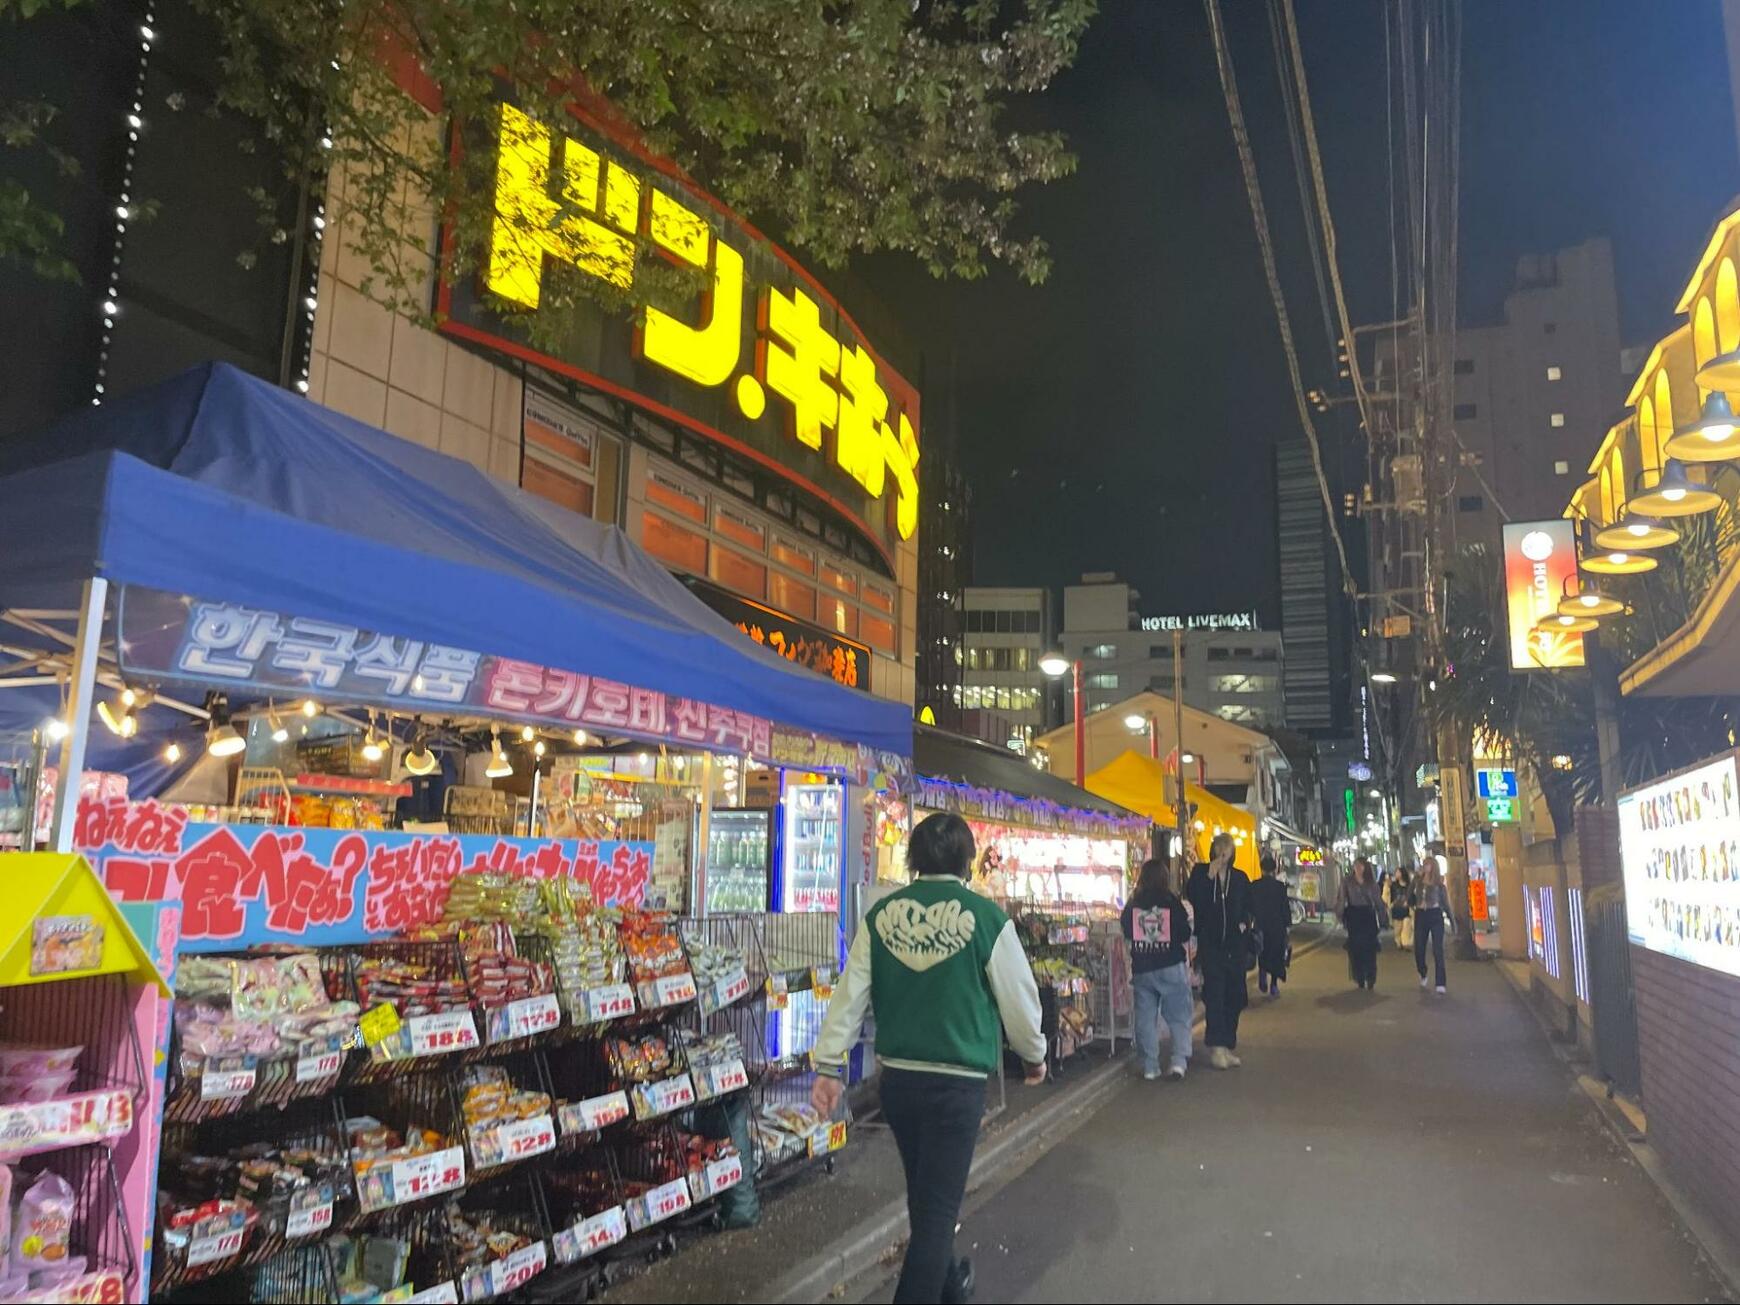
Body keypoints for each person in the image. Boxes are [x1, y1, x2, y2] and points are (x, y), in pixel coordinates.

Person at [813, 812, 1047, 1305]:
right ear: (967, 860)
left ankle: (953, 1289)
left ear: (913, 858)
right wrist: (1034, 1056)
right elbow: (1019, 998)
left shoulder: (882, 916)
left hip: (898, 1084)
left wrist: (830, 1065)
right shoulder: (985, 918)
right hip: (957, 1085)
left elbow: (850, 993)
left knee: (927, 1202)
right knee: (937, 1214)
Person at [1120, 857, 1194, 1080]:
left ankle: (1150, 1066)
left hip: (1143, 967)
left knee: (1145, 1018)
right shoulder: (1171, 901)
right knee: (1179, 1015)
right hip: (1171, 964)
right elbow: (1184, 933)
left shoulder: (1134, 903)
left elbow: (1126, 929)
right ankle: (1178, 1062)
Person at [1186, 833, 1252, 1070]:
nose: (1223, 853)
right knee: (1215, 996)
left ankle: (1227, 1044)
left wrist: (1244, 924)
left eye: (1227, 848)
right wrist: (1209, 877)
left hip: (1235, 947)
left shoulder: (1240, 878)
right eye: (1219, 848)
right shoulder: (1201, 873)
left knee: (1236, 995)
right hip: (1211, 947)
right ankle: (1216, 1047)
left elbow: (1248, 906)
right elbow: (1193, 899)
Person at [1337, 857, 1386, 989]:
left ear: (1366, 867)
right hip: (1354, 916)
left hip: (1368, 915)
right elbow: (1341, 898)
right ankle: (1359, 976)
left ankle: (1370, 976)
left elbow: (1378, 901)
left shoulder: (1371, 883)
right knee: (1355, 948)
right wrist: (1339, 914)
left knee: (1370, 948)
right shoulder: (1347, 882)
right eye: (1356, 866)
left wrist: (1383, 918)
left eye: (1360, 866)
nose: (1358, 868)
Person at [1414, 859, 1450, 993]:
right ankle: (1422, 972)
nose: (1425, 867)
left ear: (1434, 867)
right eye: (1424, 864)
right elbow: (1409, 895)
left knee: (1437, 949)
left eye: (1428, 864)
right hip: (1420, 915)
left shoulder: (1439, 885)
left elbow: (1446, 904)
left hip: (1435, 914)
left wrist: (1452, 921)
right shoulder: (1417, 881)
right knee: (1419, 948)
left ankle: (1440, 982)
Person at [1386, 863, 1416, 951]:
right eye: (1396, 872)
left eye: (1398, 872)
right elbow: (1389, 894)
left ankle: (1406, 943)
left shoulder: (1409, 885)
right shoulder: (1393, 885)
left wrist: (1410, 904)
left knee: (1407, 926)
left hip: (1407, 908)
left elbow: (1413, 896)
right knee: (1398, 928)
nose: (1396, 874)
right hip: (1396, 908)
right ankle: (1399, 942)